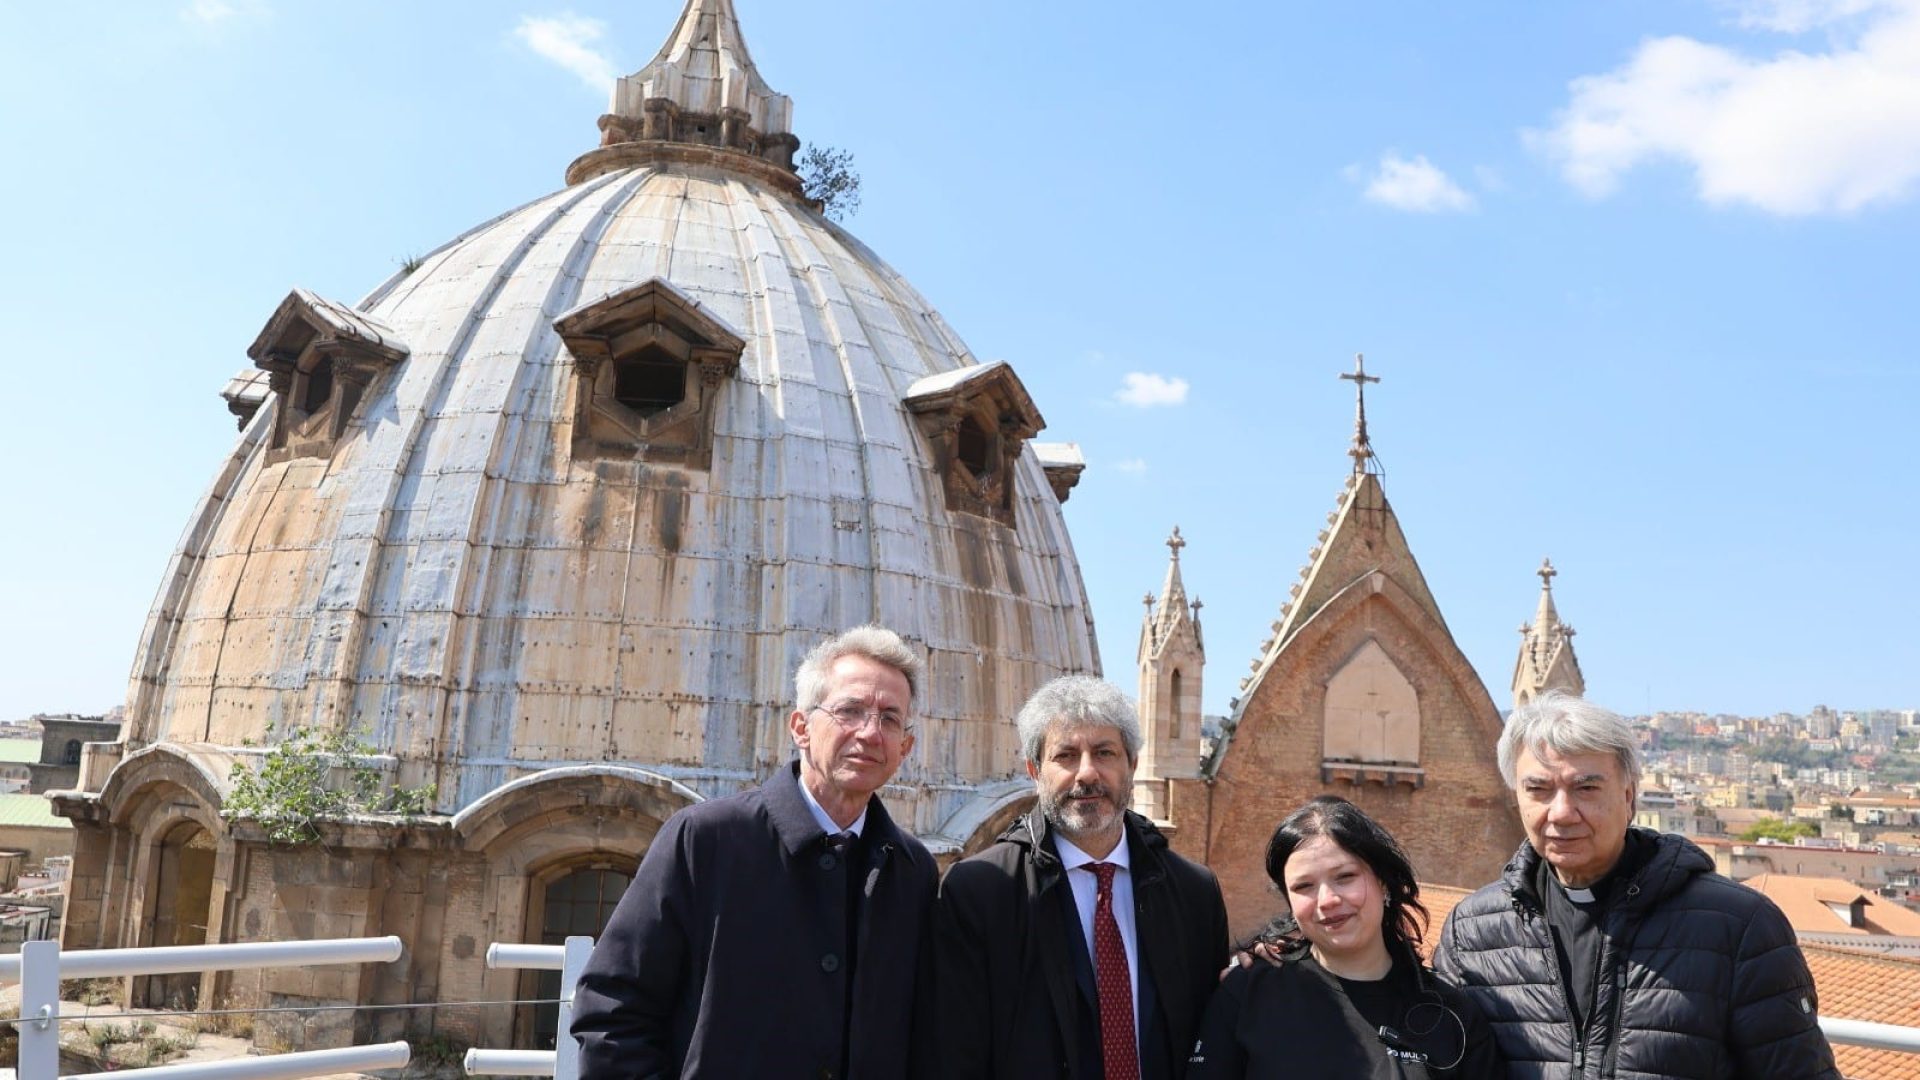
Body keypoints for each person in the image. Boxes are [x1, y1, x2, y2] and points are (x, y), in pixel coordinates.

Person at [570, 625, 938, 1079]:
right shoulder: (706, 841)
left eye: (889, 718)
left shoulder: (913, 870)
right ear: (801, 727)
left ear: (905, 747)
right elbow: (612, 1008)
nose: (869, 732)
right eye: (850, 710)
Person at [1433, 690, 1840, 1078]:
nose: (1561, 812)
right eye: (1538, 790)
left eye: (1586, 788)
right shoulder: (1473, 930)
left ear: (1630, 796)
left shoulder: (1738, 927)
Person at [926, 674, 1229, 1079]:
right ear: (1034, 769)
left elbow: (1213, 1038)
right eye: (1066, 755)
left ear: (1132, 765)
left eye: (1104, 753)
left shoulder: (1194, 893)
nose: (1087, 773)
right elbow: (955, 1052)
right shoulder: (982, 892)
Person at [1187, 795, 1502, 1078]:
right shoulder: (1246, 993)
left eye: (1345, 877)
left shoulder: (1454, 1017)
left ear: (1383, 883)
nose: (1327, 899)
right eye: (1303, 886)